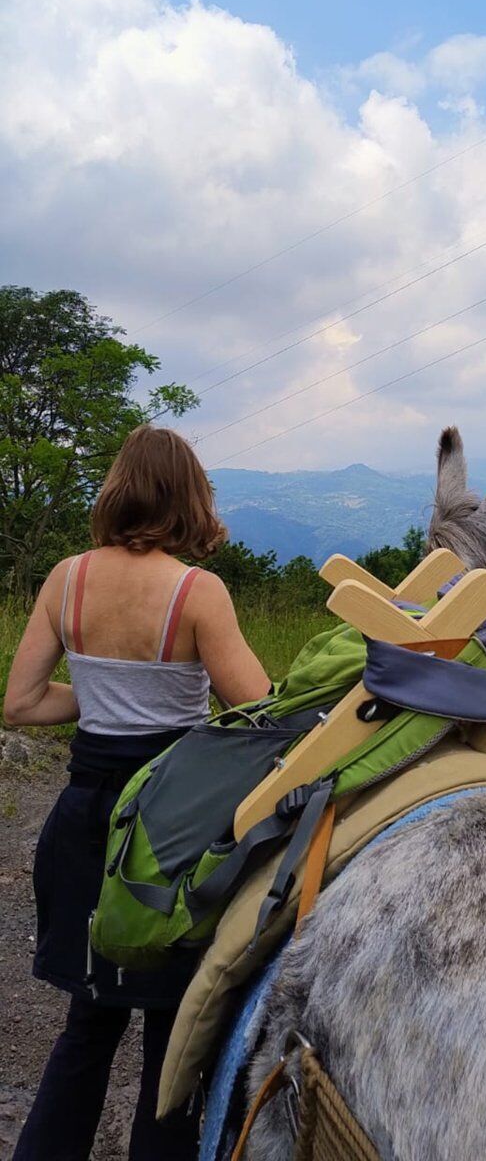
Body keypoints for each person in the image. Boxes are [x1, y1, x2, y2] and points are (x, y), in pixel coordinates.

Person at [4, 425, 270, 1161]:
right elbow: (255, 711)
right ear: (190, 498)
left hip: (86, 819)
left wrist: (104, 694)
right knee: (172, 1033)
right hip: (172, 831)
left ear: (118, 489)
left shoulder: (66, 579)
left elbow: (22, 703)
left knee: (87, 1024)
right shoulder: (197, 592)